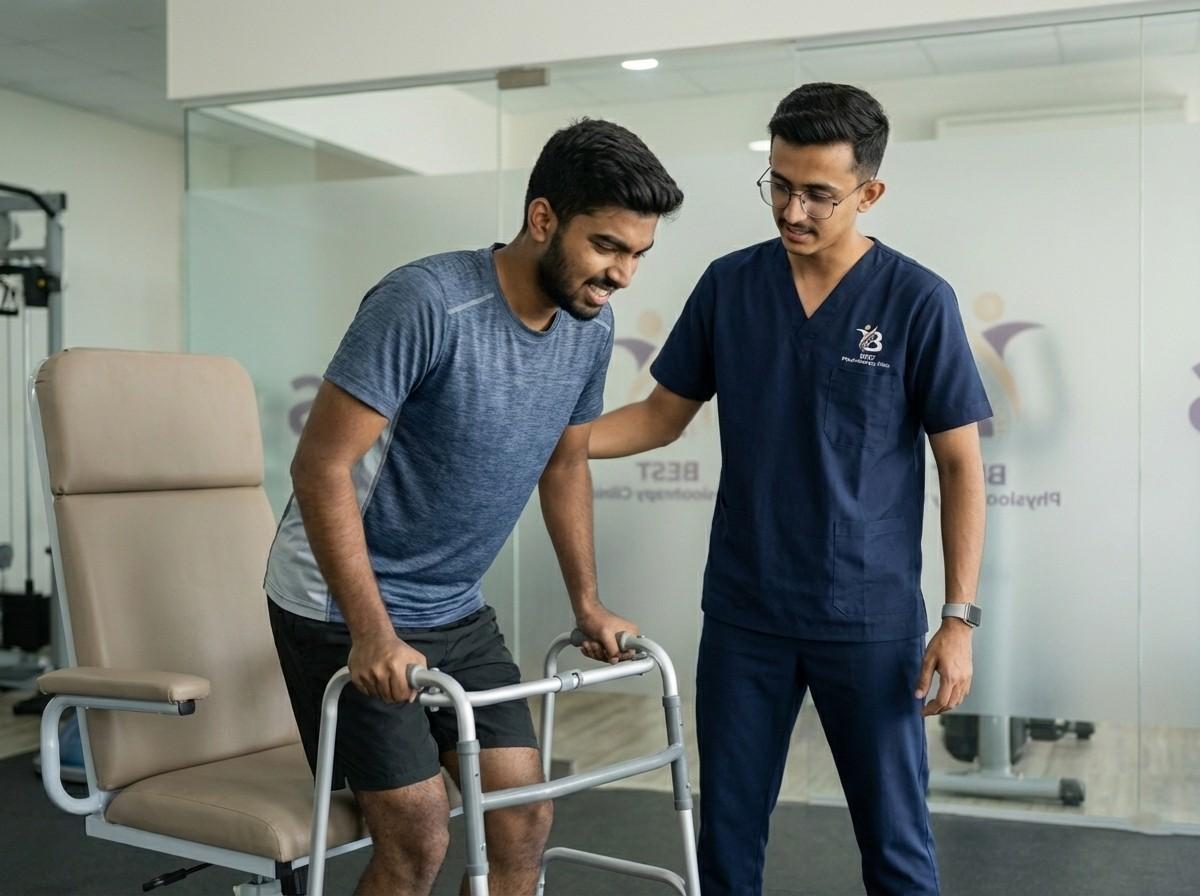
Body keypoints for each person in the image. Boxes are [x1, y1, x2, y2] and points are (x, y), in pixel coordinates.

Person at [264, 117, 684, 896]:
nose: (623, 274)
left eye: (637, 255)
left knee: (521, 820)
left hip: (455, 607)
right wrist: (371, 633)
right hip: (340, 601)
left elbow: (565, 461)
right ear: (543, 218)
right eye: (607, 247)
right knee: (418, 833)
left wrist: (587, 604)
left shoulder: (590, 328)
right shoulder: (424, 302)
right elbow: (319, 467)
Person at [589, 83, 992, 895]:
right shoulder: (730, 285)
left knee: (897, 846)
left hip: (868, 618)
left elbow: (960, 465)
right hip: (747, 614)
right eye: (779, 183)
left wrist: (957, 618)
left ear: (869, 192)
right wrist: (548, 442)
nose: (792, 209)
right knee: (727, 841)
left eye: (818, 193)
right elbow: (662, 416)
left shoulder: (917, 301)